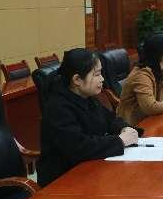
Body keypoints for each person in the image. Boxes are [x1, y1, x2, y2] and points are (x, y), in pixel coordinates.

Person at [38, 48, 138, 186]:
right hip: (63, 180)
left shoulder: (86, 97)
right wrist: (120, 141)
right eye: (97, 74)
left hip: (91, 169)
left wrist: (124, 128)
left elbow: (110, 119)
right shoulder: (57, 107)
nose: (102, 79)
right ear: (77, 79)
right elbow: (80, 147)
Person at [118, 33, 163, 126]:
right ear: (159, 52)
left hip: (153, 119)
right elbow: (150, 107)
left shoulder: (158, 69)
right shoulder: (141, 75)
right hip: (135, 125)